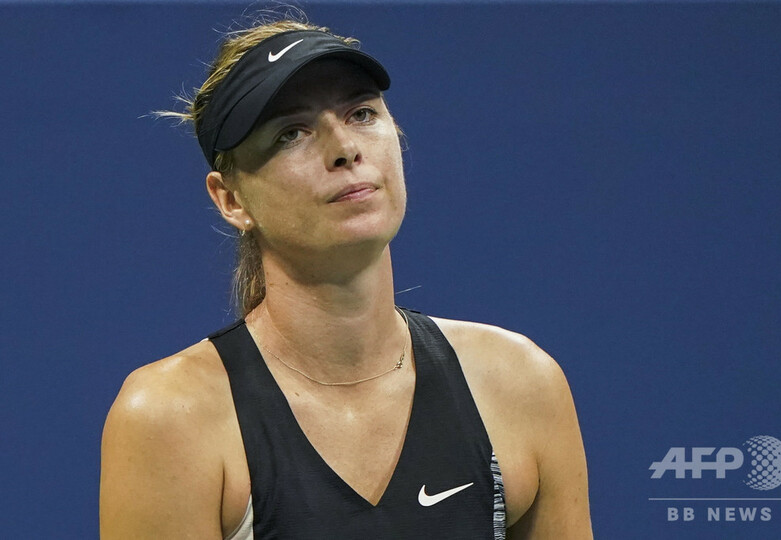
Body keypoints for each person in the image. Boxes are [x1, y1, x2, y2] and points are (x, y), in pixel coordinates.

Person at [99, 17, 592, 539]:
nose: (344, 148)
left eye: (361, 113)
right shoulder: (170, 417)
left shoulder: (521, 384)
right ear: (231, 199)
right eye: (291, 133)